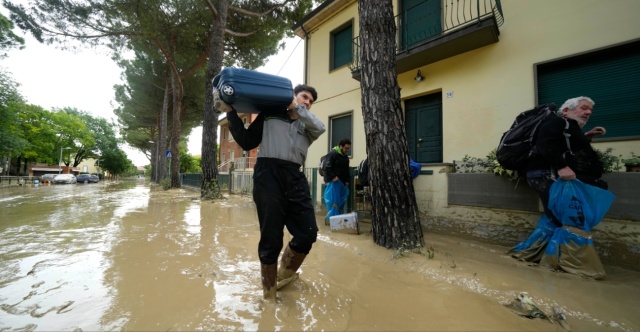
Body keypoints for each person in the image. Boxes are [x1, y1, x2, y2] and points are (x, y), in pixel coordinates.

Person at [215, 84, 326, 300]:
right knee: (271, 236)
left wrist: (299, 108)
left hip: (294, 176)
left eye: (311, 101)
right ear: (293, 95)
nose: (307, 102)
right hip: (268, 174)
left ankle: (284, 276)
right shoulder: (270, 115)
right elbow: (247, 141)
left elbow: (321, 128)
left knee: (308, 233)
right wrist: (231, 114)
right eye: (304, 97)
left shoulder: (309, 126)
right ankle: (269, 294)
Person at [511, 96, 607, 263]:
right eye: (583, 108)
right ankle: (566, 263)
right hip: (547, 175)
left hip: (548, 175)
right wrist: (562, 167)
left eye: (590, 110)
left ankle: (532, 255)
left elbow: (563, 145)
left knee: (556, 218)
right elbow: (545, 144)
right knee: (565, 218)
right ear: (566, 111)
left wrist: (586, 136)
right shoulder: (558, 122)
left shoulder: (567, 126)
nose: (588, 112)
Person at [323, 139, 351, 220]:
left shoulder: (345, 157)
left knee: (339, 202)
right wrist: (333, 177)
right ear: (340, 146)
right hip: (334, 182)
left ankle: (336, 219)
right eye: (346, 148)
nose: (347, 150)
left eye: (348, 149)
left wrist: (347, 180)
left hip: (341, 183)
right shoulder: (333, 154)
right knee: (334, 202)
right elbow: (326, 166)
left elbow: (346, 170)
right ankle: (333, 220)